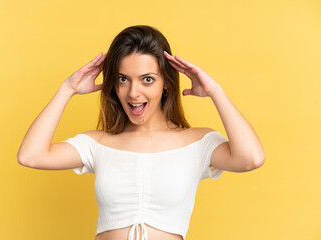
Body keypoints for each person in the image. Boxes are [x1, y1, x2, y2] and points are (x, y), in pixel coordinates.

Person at [17, 25, 265, 240]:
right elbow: (31, 156)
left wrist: (215, 91)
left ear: (166, 81)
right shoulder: (98, 143)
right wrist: (67, 88)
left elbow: (251, 158)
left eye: (147, 79)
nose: (133, 93)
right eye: (124, 79)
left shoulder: (197, 143)